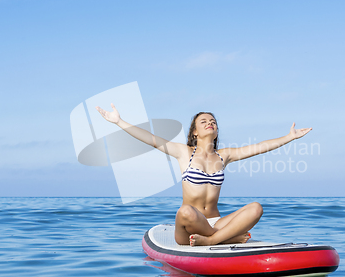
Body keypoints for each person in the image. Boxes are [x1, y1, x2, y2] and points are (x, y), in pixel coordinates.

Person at [96, 104, 312, 246]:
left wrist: (289, 137)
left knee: (256, 208)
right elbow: (151, 139)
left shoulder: (224, 156)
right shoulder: (183, 152)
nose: (210, 122)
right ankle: (227, 238)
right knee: (186, 211)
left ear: (216, 131)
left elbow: (259, 147)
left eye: (213, 121)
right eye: (204, 121)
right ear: (195, 132)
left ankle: (212, 240)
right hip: (189, 226)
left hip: (215, 222)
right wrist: (118, 121)